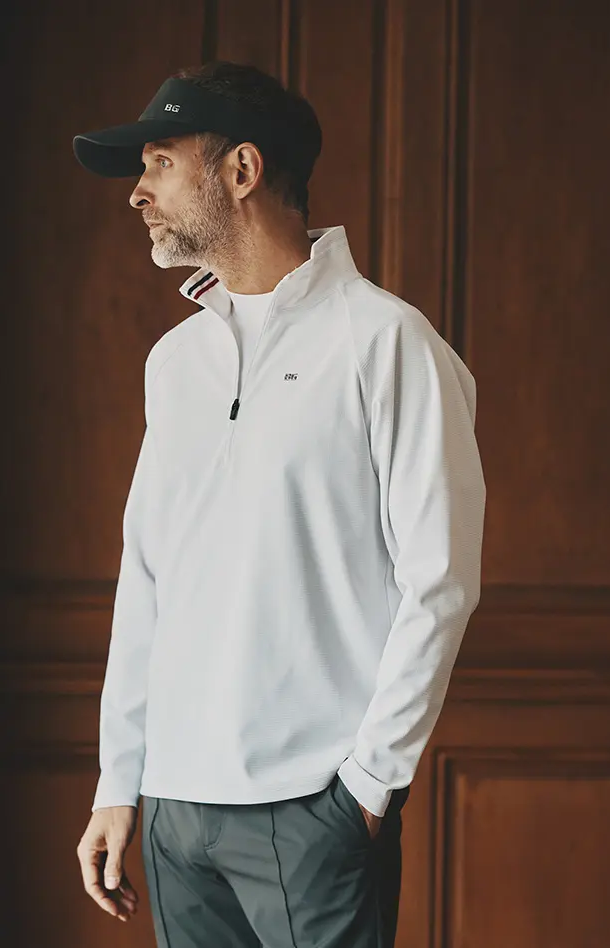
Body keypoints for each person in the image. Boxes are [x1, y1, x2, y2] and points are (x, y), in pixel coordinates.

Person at [72, 60, 486, 948]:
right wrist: (119, 781)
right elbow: (147, 579)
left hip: (311, 810)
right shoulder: (173, 364)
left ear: (242, 170)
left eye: (160, 163)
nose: (139, 193)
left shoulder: (388, 344)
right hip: (175, 810)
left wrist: (367, 788)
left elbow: (441, 582)